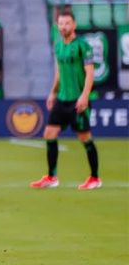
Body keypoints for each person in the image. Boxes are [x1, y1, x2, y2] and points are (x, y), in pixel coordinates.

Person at [30, 12, 101, 190]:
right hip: (62, 99)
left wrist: (85, 95)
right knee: (49, 133)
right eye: (61, 24)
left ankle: (94, 178)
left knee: (84, 137)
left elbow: (90, 73)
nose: (63, 27)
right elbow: (59, 71)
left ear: (74, 25)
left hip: (78, 99)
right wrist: (53, 92)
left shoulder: (83, 46)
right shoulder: (59, 46)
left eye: (67, 23)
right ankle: (52, 177)